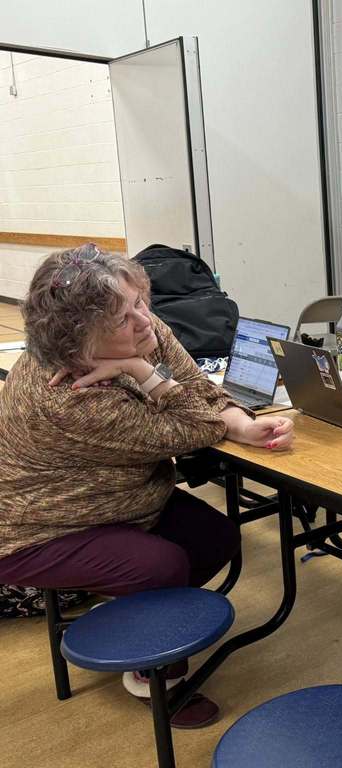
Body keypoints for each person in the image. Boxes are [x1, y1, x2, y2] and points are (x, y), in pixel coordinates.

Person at [0, 245, 295, 728]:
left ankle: (138, 611)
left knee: (215, 537)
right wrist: (143, 371)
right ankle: (154, 674)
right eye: (123, 317)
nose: (145, 321)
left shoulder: (139, 327)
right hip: (37, 527)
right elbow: (198, 425)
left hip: (120, 498)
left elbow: (202, 391)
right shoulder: (68, 399)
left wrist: (239, 424)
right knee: (162, 567)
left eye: (143, 301)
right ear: (78, 341)